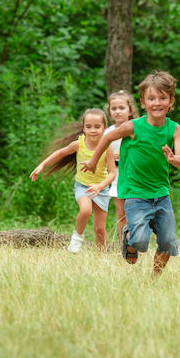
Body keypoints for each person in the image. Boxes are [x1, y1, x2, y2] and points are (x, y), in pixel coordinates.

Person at [82, 71, 180, 278]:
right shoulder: (132, 127)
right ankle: (129, 238)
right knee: (140, 242)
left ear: (171, 101)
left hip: (161, 194)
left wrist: (174, 159)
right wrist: (93, 161)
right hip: (135, 194)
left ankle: (153, 279)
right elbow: (107, 137)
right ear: (143, 101)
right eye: (151, 98)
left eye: (162, 98)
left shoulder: (176, 130)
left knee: (167, 242)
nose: (157, 103)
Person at [30, 108, 117, 253]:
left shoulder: (106, 148)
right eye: (88, 127)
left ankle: (102, 256)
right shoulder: (79, 144)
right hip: (82, 186)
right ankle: (78, 237)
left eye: (97, 127)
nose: (93, 130)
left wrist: (100, 186)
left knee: (100, 228)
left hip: (101, 189)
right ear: (83, 128)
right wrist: (42, 165)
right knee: (85, 210)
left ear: (105, 128)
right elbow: (60, 152)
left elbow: (112, 174)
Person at [103, 90, 138, 241]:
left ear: (130, 110)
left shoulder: (137, 129)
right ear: (109, 111)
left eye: (122, 108)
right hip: (117, 177)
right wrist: (111, 157)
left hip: (136, 177)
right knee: (120, 213)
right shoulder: (108, 133)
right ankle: (124, 245)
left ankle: (137, 241)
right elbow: (100, 157)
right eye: (114, 108)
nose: (118, 112)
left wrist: (125, 156)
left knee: (136, 212)